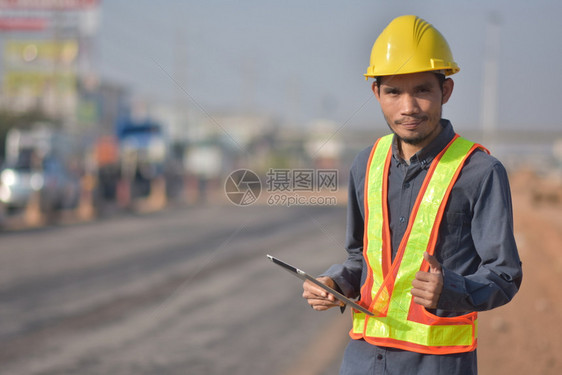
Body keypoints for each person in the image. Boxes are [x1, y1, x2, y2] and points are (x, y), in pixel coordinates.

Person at [302, 15, 522, 375]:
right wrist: (334, 282)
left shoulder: (481, 171)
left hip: (437, 364)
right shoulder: (365, 164)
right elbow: (363, 258)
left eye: (422, 90)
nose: (408, 107)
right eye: (393, 92)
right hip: (363, 360)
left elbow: (505, 274)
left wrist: (451, 289)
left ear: (445, 91)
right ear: (376, 93)